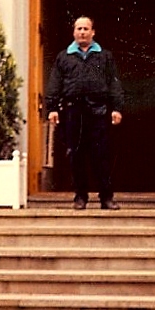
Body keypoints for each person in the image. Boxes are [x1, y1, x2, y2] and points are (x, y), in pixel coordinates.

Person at [45, 16, 124, 210]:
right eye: (78, 28)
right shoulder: (64, 57)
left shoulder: (104, 56)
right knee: (76, 156)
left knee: (102, 156)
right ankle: (80, 197)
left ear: (93, 32)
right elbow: (55, 83)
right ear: (74, 32)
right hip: (73, 112)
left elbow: (114, 83)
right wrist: (52, 108)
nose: (82, 32)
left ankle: (106, 198)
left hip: (98, 111)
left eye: (86, 29)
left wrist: (117, 108)